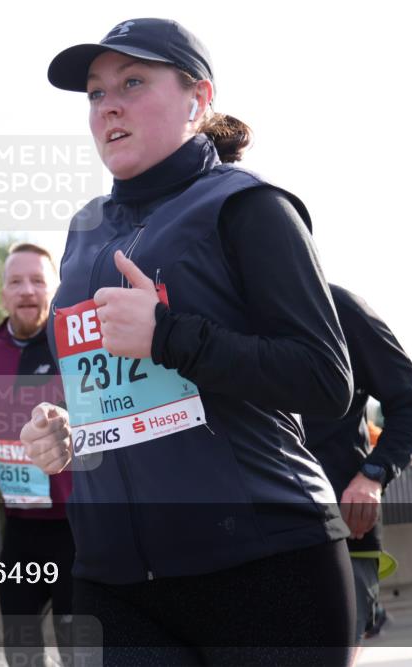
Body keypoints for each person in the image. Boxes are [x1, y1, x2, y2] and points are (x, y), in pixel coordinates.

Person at [21, 18, 357, 665]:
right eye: (95, 93)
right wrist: (67, 428)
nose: (108, 105)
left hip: (264, 563)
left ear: (198, 99)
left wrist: (169, 335)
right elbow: (116, 394)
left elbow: (324, 379)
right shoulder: (84, 231)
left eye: (134, 81)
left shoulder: (249, 205)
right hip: (113, 580)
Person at [0, 243, 75, 667]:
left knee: (79, 650)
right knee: (20, 651)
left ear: (54, 290)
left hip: (77, 526)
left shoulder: (71, 344)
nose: (27, 290)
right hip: (21, 528)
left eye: (38, 281)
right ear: (2, 293)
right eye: (16, 281)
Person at [302, 285, 412, 644]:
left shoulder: (339, 308)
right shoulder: (215, 311)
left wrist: (371, 477)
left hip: (344, 528)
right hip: (249, 535)